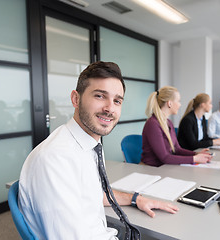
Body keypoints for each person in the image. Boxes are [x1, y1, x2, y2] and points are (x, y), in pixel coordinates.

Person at [18, 61, 179, 239]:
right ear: (75, 99)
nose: (110, 108)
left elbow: (93, 193)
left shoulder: (90, 146)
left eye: (117, 101)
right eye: (100, 96)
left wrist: (136, 199)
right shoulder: (55, 159)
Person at [141, 86, 213, 167]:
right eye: (178, 101)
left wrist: (197, 154)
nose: (180, 104)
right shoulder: (153, 124)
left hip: (165, 167)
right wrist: (194, 159)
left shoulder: (168, 123)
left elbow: (177, 149)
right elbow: (164, 157)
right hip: (151, 170)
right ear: (169, 103)